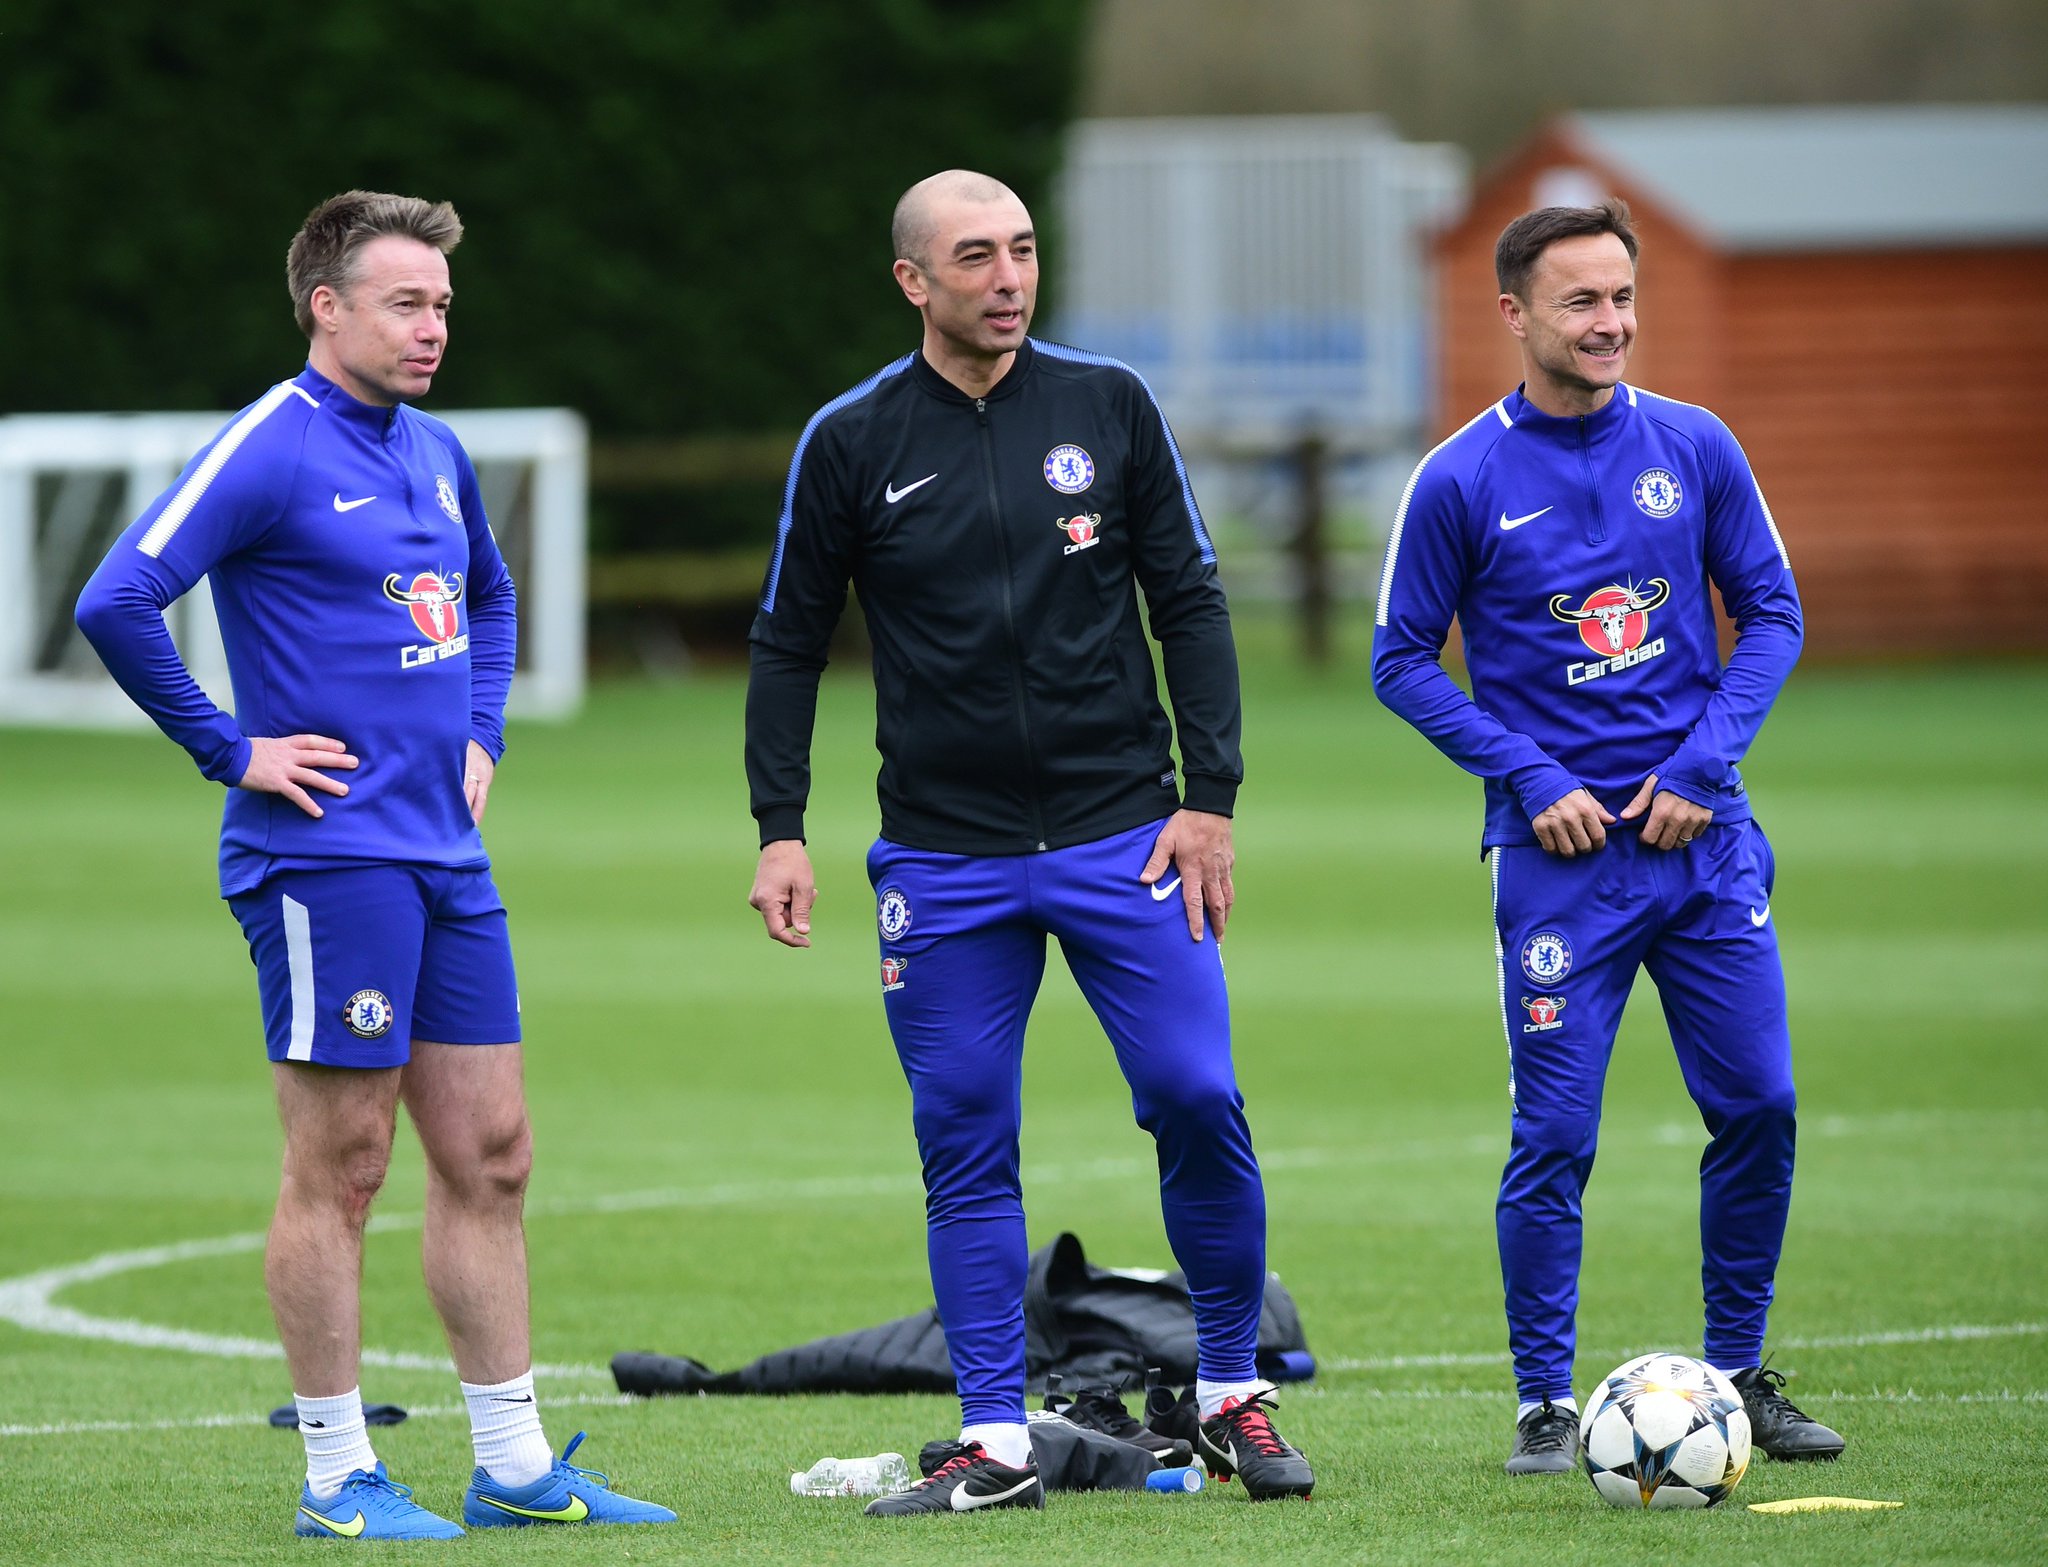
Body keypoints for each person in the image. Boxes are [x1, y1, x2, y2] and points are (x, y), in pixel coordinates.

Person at [75, 191, 673, 1541]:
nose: (433, 326)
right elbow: (117, 597)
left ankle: (512, 1463)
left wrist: (481, 732)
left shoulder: (439, 448)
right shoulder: (272, 443)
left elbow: (489, 594)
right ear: (325, 306)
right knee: (344, 1164)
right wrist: (230, 749)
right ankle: (339, 1475)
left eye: (443, 305)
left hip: (446, 853)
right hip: (323, 857)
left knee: (494, 1155)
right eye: (406, 302)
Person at [744, 169, 1315, 1515]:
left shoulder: (1107, 404)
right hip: (942, 861)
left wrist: (1210, 796)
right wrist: (781, 827)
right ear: (912, 281)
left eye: (1022, 250)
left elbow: (1189, 600)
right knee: (962, 1134)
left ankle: (1229, 1392)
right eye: (974, 257)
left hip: (1127, 837)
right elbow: (784, 640)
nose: (1007, 278)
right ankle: (995, 1439)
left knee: (1196, 1096)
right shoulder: (850, 438)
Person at [1371, 198, 1845, 1473]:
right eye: (1579, 300)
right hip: (1556, 866)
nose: (1609, 322)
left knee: (1758, 1105)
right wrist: (1527, 775)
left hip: (1701, 845)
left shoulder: (1693, 445)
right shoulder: (1458, 476)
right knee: (1554, 1138)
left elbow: (1772, 614)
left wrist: (1702, 762)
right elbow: (1398, 659)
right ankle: (1541, 1401)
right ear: (1513, 313)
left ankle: (1737, 1374)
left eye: (1621, 297)